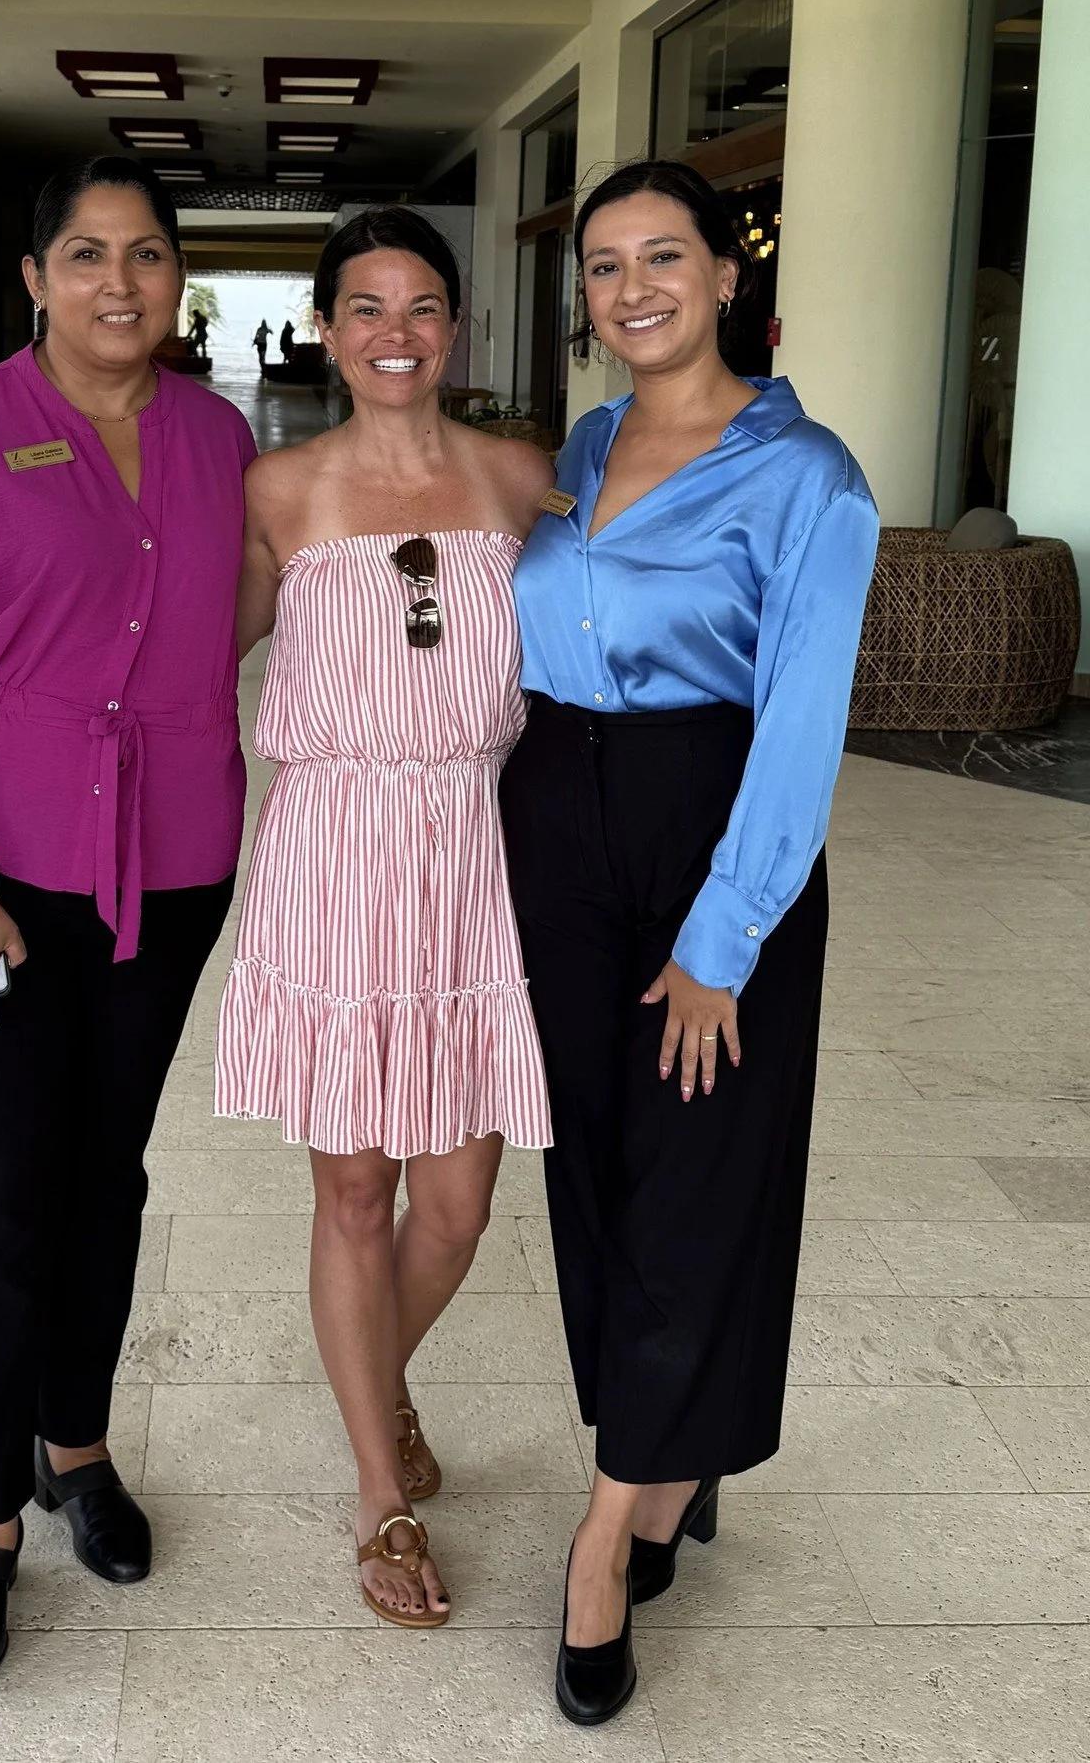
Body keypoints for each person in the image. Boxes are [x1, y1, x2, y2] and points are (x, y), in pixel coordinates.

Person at [0, 154, 257, 1693]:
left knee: (106, 1170)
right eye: (86, 254)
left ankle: (72, 1444)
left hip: (166, 869)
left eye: (147, 253)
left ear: (178, 277)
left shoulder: (218, 437)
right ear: (35, 277)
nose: (119, 282)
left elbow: (241, 612)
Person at [500, 158, 879, 1725]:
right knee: (592, 1167)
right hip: (555, 823)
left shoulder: (810, 478)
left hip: (711, 831)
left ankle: (609, 1535)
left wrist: (724, 938)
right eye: (605, 264)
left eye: (665, 256)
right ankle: (664, 1457)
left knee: (699, 1173)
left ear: (728, 275)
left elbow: (800, 722)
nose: (632, 287)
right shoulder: (584, 448)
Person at [217, 206, 554, 1628]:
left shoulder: (519, 477)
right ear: (326, 328)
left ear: (455, 326)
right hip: (333, 857)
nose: (395, 332)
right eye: (365, 306)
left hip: (476, 853)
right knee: (357, 1193)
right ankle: (379, 1488)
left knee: (459, 1205)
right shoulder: (280, 487)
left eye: (422, 305)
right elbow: (195, 643)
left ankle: (377, 1380)